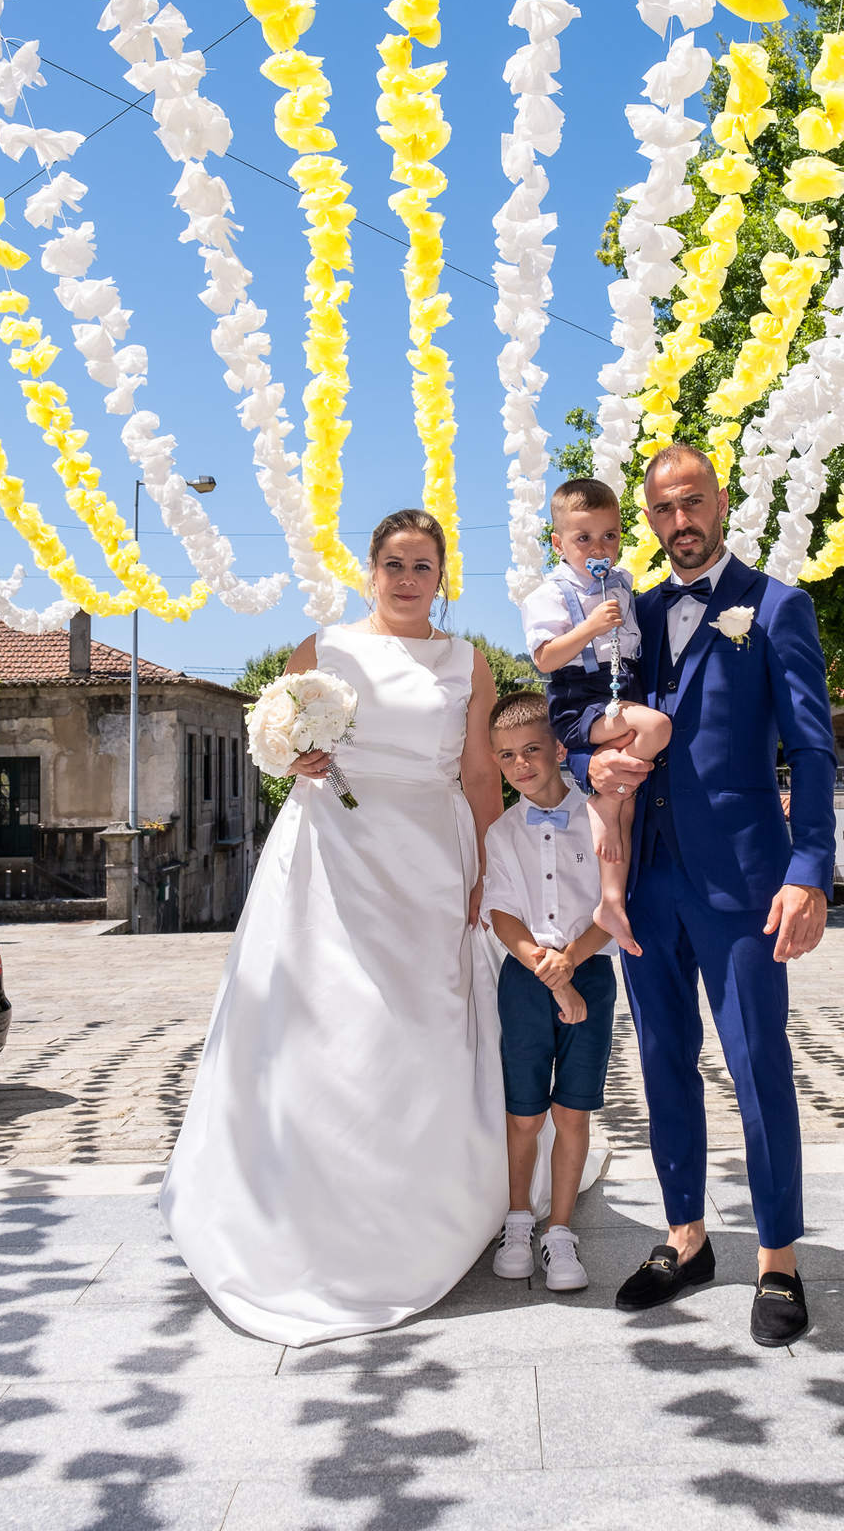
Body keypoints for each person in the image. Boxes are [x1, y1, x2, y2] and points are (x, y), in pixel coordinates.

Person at [160, 509, 508, 1346]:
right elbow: (277, 746)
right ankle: (305, 1212)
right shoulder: (322, 649)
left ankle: (429, 1203)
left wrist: (493, 870)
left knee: (425, 1027)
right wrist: (298, 758)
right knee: (327, 1026)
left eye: (423, 566)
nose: (408, 579)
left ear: (443, 577)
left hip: (431, 859)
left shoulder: (468, 662)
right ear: (369, 570)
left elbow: (479, 775)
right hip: (332, 856)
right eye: (394, 564)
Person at [567, 446, 837, 1348]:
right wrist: (588, 764)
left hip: (746, 883)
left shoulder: (777, 606)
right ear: (647, 520)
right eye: (663, 509)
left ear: (721, 502)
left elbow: (812, 748)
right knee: (661, 1062)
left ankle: (778, 1259)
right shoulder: (631, 613)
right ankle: (686, 1238)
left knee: (758, 1063)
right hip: (646, 879)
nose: (680, 522)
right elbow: (578, 709)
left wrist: (809, 868)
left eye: (693, 503)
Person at [482, 690, 616, 1294]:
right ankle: (518, 1222)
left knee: (572, 1111)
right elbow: (502, 914)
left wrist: (571, 966)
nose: (521, 764)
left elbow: (613, 908)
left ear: (560, 748)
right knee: (525, 1113)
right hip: (525, 978)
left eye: (532, 750)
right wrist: (548, 971)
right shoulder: (501, 832)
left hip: (589, 971)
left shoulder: (601, 818)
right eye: (507, 756)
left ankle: (559, 1231)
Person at [521, 477, 671, 953]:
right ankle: (605, 799)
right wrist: (589, 626)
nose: (598, 547)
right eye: (583, 538)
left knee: (624, 809)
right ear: (558, 544)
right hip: (580, 698)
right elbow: (545, 659)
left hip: (622, 688)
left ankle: (610, 902)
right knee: (656, 726)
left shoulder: (622, 582)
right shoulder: (549, 594)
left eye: (609, 535)